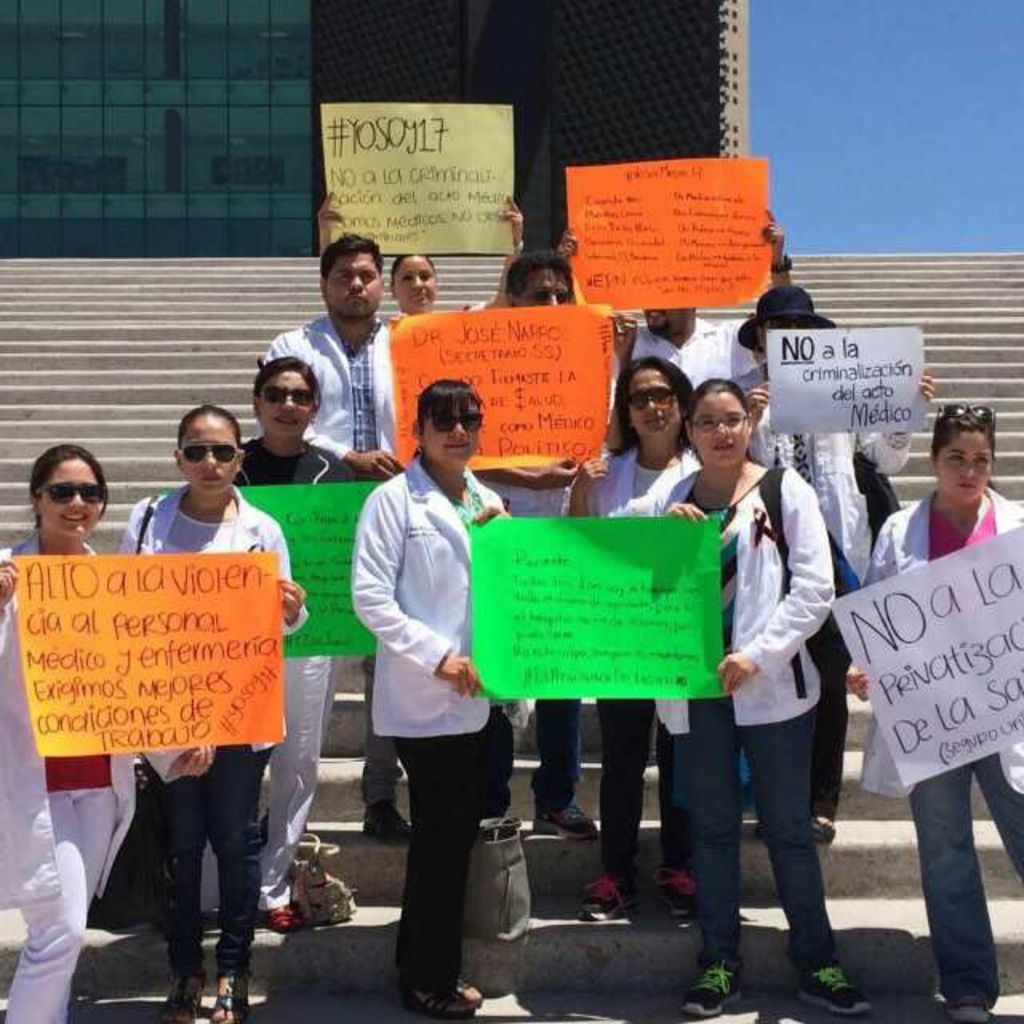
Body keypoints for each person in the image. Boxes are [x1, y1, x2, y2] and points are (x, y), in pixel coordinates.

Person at [655, 380, 869, 1019]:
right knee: (713, 831)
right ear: (688, 431)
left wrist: (758, 655)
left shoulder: (783, 490)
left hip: (772, 690)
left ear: (750, 424)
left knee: (788, 830)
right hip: (699, 694)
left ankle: (818, 960)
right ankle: (719, 961)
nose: (721, 433)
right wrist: (658, 538)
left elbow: (814, 588)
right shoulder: (672, 499)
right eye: (706, 423)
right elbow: (634, 576)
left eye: (731, 420)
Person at [122, 405, 307, 1024]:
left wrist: (292, 608)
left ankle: (233, 966)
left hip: (240, 714)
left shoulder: (262, 529)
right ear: (178, 457)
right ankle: (184, 970)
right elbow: (125, 618)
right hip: (168, 714)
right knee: (181, 845)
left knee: (234, 842)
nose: (210, 464)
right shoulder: (147, 520)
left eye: (223, 452)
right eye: (197, 452)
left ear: (240, 459)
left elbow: (284, 624)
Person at [739, 283, 935, 842]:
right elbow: (737, 472)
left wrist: (906, 408)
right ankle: (771, 795)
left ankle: (821, 800)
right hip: (769, 555)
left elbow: (884, 457)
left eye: (799, 331)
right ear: (761, 343)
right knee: (771, 671)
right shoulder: (743, 398)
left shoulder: (842, 389)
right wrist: (749, 426)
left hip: (838, 551)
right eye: (779, 332)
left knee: (828, 678)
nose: (789, 340)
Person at [848, 405, 1024, 1024]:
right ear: (933, 460)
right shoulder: (899, 531)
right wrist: (864, 667)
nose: (969, 470)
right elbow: (877, 614)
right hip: (933, 722)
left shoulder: (1018, 527)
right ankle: (969, 987)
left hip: (1009, 719)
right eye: (957, 458)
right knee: (946, 852)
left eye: (981, 459)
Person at [352, 379, 505, 1020]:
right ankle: (427, 977)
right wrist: (439, 657)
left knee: (456, 835)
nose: (458, 431)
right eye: (443, 420)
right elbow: (370, 598)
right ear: (418, 427)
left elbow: (504, 597)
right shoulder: (392, 501)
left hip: (484, 696)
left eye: (468, 419)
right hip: (425, 696)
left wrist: (504, 545)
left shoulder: (488, 501)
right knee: (440, 838)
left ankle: (426, 962)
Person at [264, 233, 409, 842]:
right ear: (324, 283)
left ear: (382, 283)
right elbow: (283, 417)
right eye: (344, 274)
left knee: (387, 657)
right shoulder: (293, 345)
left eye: (368, 275)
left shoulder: (408, 341)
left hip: (393, 507)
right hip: (318, 508)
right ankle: (282, 806)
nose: (357, 284)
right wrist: (347, 454)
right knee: (309, 651)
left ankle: (379, 794)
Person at [0, 446, 138, 1024]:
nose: (77, 504)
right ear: (36, 500)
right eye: (61, 492)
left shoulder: (113, 582)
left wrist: (183, 739)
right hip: (38, 781)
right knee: (61, 929)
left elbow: (145, 676)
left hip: (98, 782)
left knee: (62, 928)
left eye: (90, 493)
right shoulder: (6, 572)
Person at [568, 357, 699, 921]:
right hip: (619, 638)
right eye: (640, 397)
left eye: (662, 395)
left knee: (679, 756)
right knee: (621, 760)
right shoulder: (607, 471)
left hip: (680, 639)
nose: (652, 406)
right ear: (627, 409)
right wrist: (577, 491)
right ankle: (616, 872)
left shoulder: (704, 468)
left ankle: (679, 867)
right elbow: (579, 546)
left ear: (681, 402)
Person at [476, 249, 597, 839]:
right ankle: (493, 798)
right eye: (538, 293)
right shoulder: (483, 359)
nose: (551, 304)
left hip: (566, 529)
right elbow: (462, 452)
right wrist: (532, 477)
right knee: (499, 676)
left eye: (559, 293)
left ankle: (557, 794)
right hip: (499, 531)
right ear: (514, 300)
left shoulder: (591, 357)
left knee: (562, 672)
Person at [235, 357, 355, 932]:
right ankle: (220, 877)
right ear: (258, 402)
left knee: (298, 760)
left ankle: (272, 880)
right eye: (276, 393)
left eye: (300, 395)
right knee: (230, 762)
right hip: (232, 639)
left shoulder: (335, 474)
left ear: (315, 406)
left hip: (313, 632)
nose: (288, 404)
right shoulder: (231, 467)